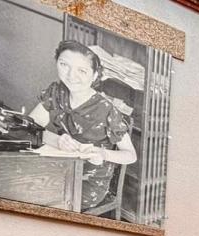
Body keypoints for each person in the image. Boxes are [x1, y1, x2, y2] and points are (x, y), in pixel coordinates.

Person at [28, 40, 137, 212]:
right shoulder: (56, 92)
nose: (71, 75)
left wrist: (103, 153)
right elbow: (29, 127)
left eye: (82, 70)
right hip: (59, 168)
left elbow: (131, 155)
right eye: (64, 65)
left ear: (95, 75)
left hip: (87, 182)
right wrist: (56, 140)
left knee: (32, 197)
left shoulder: (106, 110)